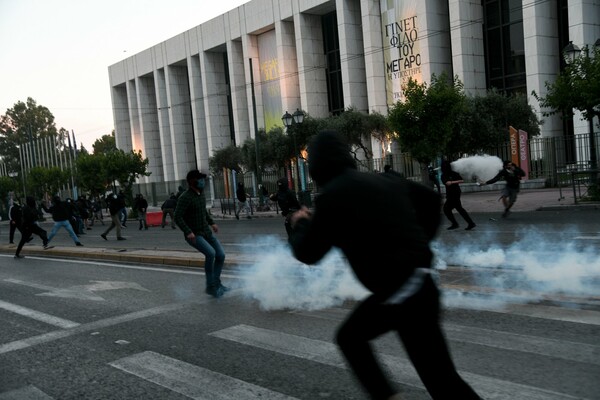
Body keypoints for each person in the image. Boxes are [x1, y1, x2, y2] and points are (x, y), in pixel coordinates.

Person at [288, 131, 480, 400]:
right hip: (419, 286)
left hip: (401, 293)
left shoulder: (332, 197)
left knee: (350, 339)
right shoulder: (383, 179)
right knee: (441, 379)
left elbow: (308, 253)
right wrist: (419, 244)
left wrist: (301, 224)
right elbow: (430, 199)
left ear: (317, 166)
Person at [175, 170, 227, 298]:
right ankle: (211, 287)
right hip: (194, 234)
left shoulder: (201, 195)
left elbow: (204, 212)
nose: (203, 181)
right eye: (200, 179)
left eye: (203, 179)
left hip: (206, 232)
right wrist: (188, 232)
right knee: (211, 253)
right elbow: (177, 217)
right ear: (193, 181)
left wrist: (212, 223)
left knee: (220, 255)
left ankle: (216, 283)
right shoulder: (185, 197)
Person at [440, 160, 476, 230]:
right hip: (451, 193)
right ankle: (470, 223)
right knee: (459, 209)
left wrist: (452, 182)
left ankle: (455, 224)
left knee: (446, 209)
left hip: (454, 193)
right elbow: (447, 183)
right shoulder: (444, 175)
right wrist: (452, 182)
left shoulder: (453, 173)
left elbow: (461, 180)